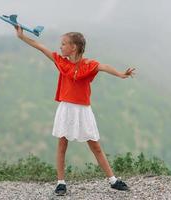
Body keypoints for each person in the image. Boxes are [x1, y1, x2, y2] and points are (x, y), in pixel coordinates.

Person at [14, 25, 135, 195]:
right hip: (66, 109)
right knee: (62, 145)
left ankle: (113, 180)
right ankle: (60, 183)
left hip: (83, 110)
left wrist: (121, 74)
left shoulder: (88, 65)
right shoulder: (61, 62)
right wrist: (22, 36)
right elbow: (40, 46)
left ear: (74, 47)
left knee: (96, 147)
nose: (60, 46)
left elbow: (104, 66)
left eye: (64, 44)